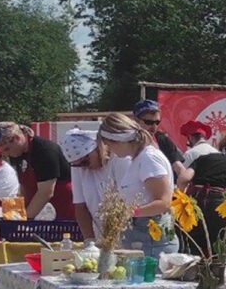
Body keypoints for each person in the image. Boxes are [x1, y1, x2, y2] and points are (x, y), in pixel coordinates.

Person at [97, 113, 178, 258]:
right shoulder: (139, 159)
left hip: (152, 241)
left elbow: (163, 203)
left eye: (109, 145)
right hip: (144, 238)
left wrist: (128, 212)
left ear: (117, 140)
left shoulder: (148, 159)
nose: (110, 150)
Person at [180, 136, 226, 256]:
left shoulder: (205, 158)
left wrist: (182, 200)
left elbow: (184, 178)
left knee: (193, 252)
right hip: (223, 207)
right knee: (222, 252)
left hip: (195, 204)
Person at [0, 121, 74, 219]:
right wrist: (15, 213)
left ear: (17, 138)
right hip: (45, 205)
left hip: (67, 204)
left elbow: (46, 192)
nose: (6, 154)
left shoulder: (44, 150)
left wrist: (25, 218)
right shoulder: (16, 153)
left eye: (7, 149)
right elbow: (24, 187)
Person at [61, 127, 122, 241]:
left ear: (97, 148)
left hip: (127, 232)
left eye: (85, 161)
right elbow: (80, 206)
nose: (84, 167)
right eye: (77, 165)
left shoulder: (119, 159)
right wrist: (89, 241)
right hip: (101, 234)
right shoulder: (79, 168)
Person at [133, 99, 186, 183]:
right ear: (136, 121)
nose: (154, 127)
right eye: (148, 122)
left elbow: (179, 168)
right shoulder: (128, 141)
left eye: (157, 122)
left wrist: (182, 183)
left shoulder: (162, 140)